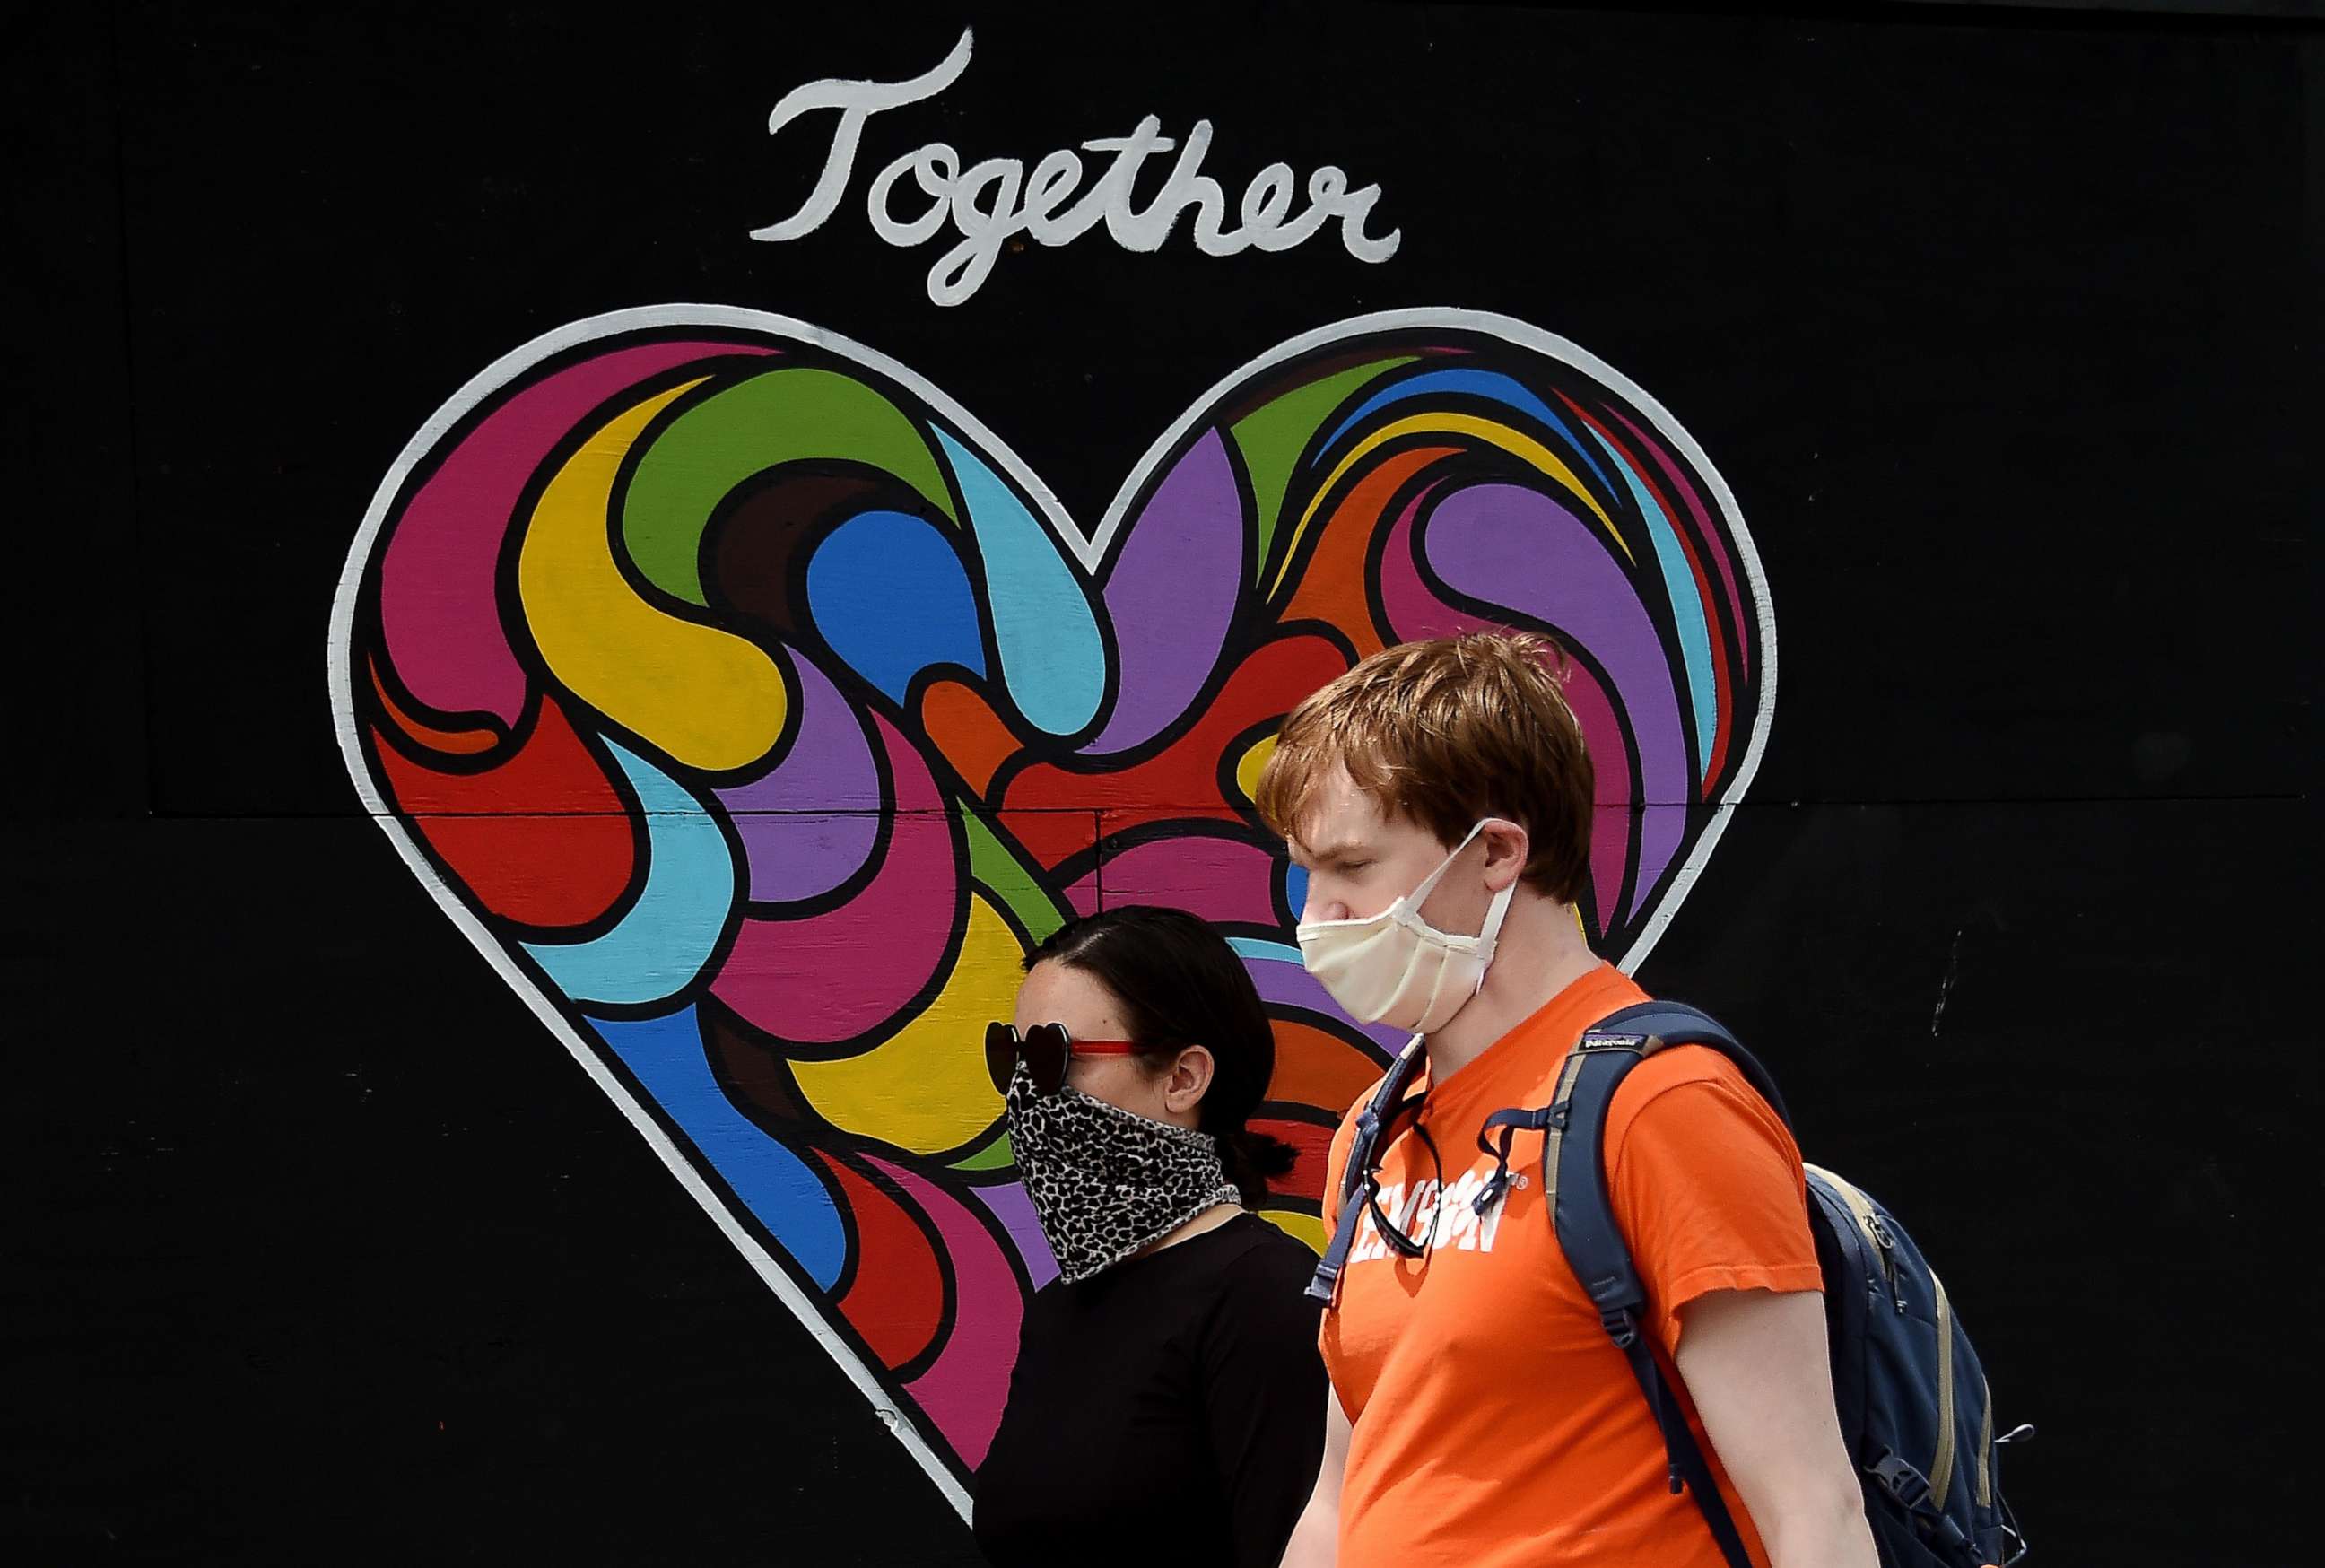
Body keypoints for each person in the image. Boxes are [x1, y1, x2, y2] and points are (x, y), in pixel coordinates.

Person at [1258, 633, 1877, 1568]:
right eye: (1308, 870)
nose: (1318, 912)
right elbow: (1341, 1496)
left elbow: (1813, 1511)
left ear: (1497, 850)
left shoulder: (1667, 1102)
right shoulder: (1375, 1130)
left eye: (1351, 866)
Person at [973, 905, 1329, 1568]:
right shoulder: (1060, 1305)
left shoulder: (1266, 1296)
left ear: (1184, 1077)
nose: (1025, 1094)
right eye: (1012, 1057)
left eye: (1055, 1058)